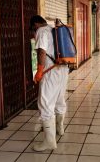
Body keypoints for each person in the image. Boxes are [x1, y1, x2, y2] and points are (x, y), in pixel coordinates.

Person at [29, 15, 69, 151]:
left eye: (33, 30)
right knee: (59, 100)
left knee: (45, 103)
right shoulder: (54, 30)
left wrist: (39, 70)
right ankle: (60, 128)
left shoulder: (42, 31)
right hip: (63, 69)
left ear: (35, 25)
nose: (34, 33)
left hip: (51, 71)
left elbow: (41, 51)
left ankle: (49, 141)